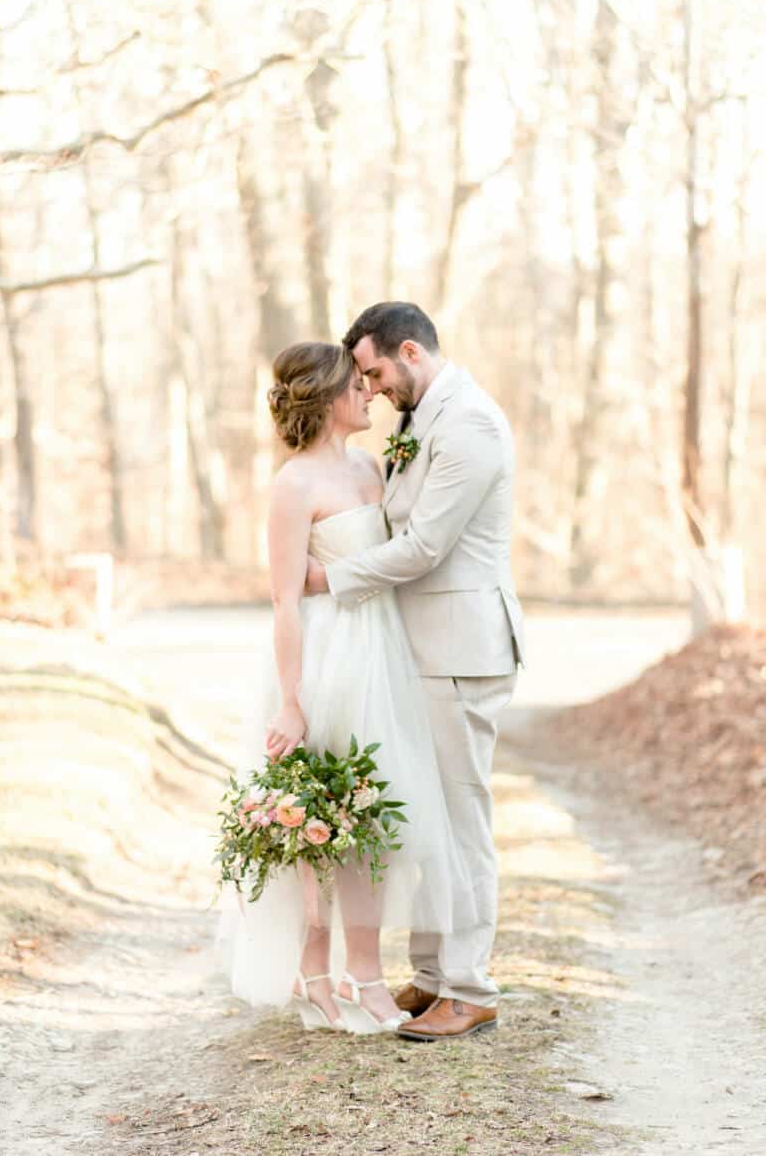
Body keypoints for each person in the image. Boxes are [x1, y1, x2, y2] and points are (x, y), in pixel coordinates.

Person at [219, 340, 478, 1036]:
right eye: (357, 386)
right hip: (328, 657)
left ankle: (367, 971)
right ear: (330, 399)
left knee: (374, 819)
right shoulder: (293, 485)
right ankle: (316, 969)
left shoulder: (372, 465)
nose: (369, 392)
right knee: (322, 819)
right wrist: (293, 699)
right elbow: (283, 602)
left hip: (385, 651)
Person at [306, 302, 525, 1041]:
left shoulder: (470, 425)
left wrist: (329, 580)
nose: (368, 389)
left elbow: (426, 545)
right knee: (428, 816)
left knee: (460, 822)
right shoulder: (423, 417)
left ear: (410, 351)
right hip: (425, 647)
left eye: (372, 372)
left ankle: (471, 987)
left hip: (463, 649)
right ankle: (433, 976)